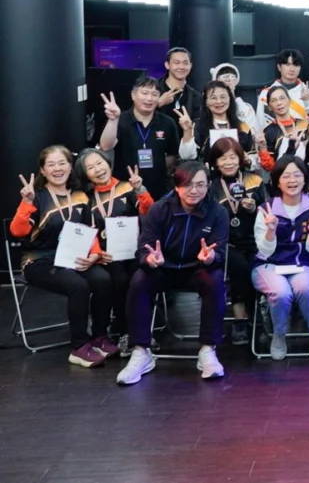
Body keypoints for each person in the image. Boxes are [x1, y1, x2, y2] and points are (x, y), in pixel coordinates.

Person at [116, 161, 229, 385]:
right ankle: (141, 351)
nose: (194, 190)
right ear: (177, 185)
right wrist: (150, 259)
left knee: (215, 280)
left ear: (208, 185)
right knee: (139, 281)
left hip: (197, 269)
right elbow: (144, 248)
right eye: (188, 184)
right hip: (163, 268)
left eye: (200, 184)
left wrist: (211, 257)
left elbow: (221, 252)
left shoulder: (217, 212)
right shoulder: (160, 209)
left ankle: (208, 350)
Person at [10, 146, 115, 367]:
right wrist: (26, 203)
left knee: (103, 279)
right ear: (43, 170)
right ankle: (79, 347)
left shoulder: (80, 195)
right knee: (78, 286)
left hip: (73, 257)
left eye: (62, 163)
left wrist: (95, 255)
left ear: (70, 166)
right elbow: (17, 232)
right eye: (51, 164)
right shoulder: (36, 196)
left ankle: (99, 336)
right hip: (39, 260)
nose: (57, 169)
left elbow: (89, 230)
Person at [76, 148, 154, 354]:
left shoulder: (127, 187)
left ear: (108, 162)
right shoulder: (86, 198)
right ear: (85, 174)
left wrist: (140, 189)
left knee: (142, 277)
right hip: (107, 256)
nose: (98, 169)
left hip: (135, 251)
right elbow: (87, 230)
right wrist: (97, 253)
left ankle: (143, 331)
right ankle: (125, 331)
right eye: (90, 167)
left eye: (99, 163)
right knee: (119, 280)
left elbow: (149, 212)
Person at [253, 155, 309, 361]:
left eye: (297, 175)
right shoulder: (266, 209)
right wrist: (271, 230)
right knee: (281, 292)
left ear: (305, 179)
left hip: (300, 264)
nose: (292, 180)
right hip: (267, 265)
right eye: (286, 176)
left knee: (306, 288)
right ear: (277, 181)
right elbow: (265, 250)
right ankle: (279, 334)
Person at [206, 137, 268, 346]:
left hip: (255, 241)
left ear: (240, 158)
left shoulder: (255, 180)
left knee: (253, 266)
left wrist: (255, 208)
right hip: (226, 243)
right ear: (215, 162)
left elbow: (268, 210)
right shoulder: (211, 186)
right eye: (223, 158)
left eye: (232, 157)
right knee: (239, 266)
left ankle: (244, 320)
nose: (228, 162)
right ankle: (252, 319)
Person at [98, 77, 180, 199]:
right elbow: (105, 146)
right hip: (124, 187)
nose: (149, 98)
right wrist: (113, 120)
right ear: (133, 95)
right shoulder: (120, 119)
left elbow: (172, 154)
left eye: (154, 94)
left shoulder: (167, 123)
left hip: (158, 188)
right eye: (144, 93)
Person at [179, 81, 255, 162]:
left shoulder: (243, 126)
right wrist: (187, 131)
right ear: (206, 102)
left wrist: (248, 159)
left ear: (230, 99)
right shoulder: (197, 126)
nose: (219, 101)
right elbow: (186, 156)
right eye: (213, 98)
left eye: (223, 97)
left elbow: (253, 155)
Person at [255, 48, 309, 128]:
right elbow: (260, 124)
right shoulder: (266, 93)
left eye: (296, 65)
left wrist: (308, 100)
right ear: (279, 67)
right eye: (288, 64)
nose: (292, 69)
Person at [258, 86, 309, 170]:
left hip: (306, 174)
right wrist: (263, 148)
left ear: (289, 101)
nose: (279, 103)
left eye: (282, 98)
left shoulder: (304, 124)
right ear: (269, 107)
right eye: (274, 100)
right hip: (282, 175)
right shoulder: (269, 131)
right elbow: (269, 167)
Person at [156, 47, 202, 130]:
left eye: (185, 63)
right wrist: (158, 103)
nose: (181, 67)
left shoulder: (196, 97)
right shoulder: (154, 90)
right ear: (167, 65)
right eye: (176, 63)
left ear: (190, 66)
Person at [210, 62, 258, 132]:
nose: (227, 80)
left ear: (236, 80)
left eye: (231, 76)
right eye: (223, 77)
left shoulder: (246, 108)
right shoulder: (210, 106)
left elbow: (252, 131)